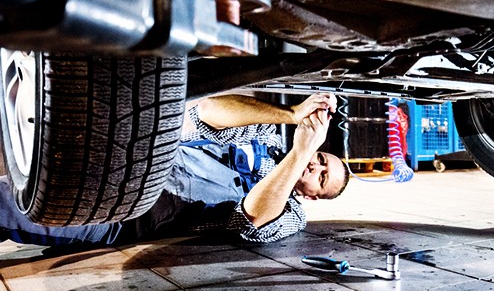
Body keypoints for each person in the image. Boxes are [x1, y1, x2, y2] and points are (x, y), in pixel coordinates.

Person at [0, 92, 350, 248]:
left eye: (322, 176)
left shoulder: (292, 214)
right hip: (127, 158)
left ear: (314, 197)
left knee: (8, 208)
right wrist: (289, 114)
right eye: (321, 159)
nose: (314, 165)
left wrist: (303, 148)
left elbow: (250, 222)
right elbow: (208, 112)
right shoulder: (266, 137)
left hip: (125, 214)